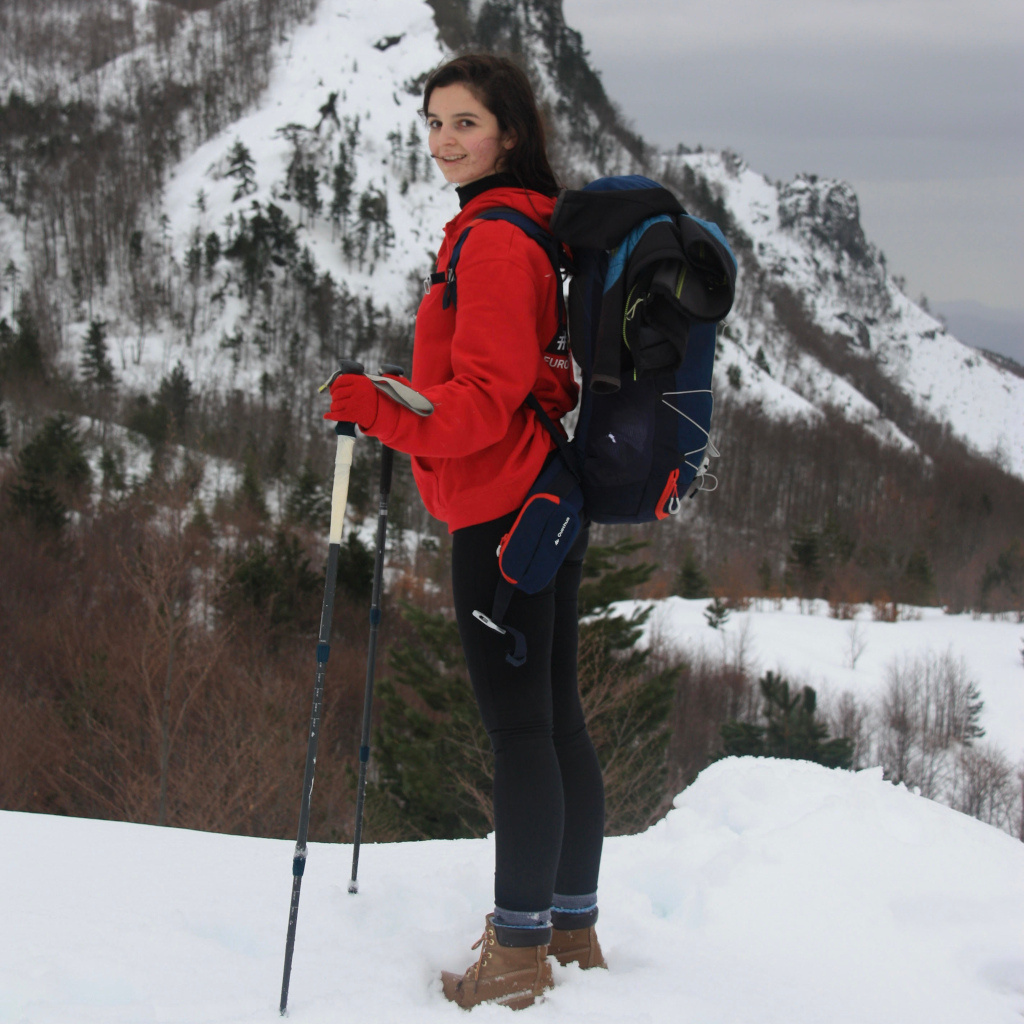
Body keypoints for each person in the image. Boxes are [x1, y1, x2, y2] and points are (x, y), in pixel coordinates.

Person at [324, 53, 606, 1010]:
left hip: (498, 507)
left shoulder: (491, 242)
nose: (445, 140)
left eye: (465, 123)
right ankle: (571, 927)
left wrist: (378, 410)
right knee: (555, 719)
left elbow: (479, 403)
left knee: (520, 728)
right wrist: (395, 403)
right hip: (544, 497)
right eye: (436, 123)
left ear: (510, 132)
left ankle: (520, 952)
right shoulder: (528, 229)